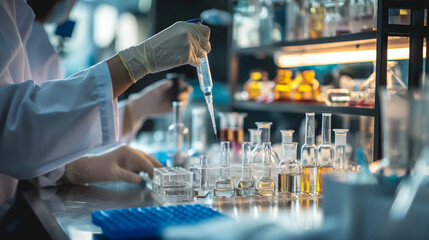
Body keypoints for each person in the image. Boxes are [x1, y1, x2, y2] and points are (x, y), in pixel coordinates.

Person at [0, 0, 211, 218]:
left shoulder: (24, 24)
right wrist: (138, 60)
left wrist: (134, 110)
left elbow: (48, 127)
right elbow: (15, 131)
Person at [25, 0, 192, 187]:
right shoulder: (16, 31)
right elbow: (23, 133)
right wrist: (72, 169)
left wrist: (134, 110)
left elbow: (47, 128)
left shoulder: (33, 35)